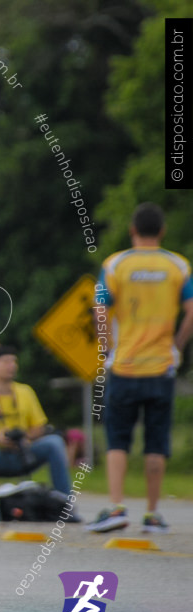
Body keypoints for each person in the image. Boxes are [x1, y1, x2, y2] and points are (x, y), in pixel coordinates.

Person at [88, 202, 193, 533]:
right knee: (156, 441)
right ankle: (152, 513)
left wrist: (106, 348)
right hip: (161, 366)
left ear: (133, 230)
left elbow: (100, 309)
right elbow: (192, 311)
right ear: (161, 231)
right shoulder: (178, 265)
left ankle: (117, 506)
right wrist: (176, 347)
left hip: (125, 366)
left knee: (117, 439)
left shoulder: (115, 264)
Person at [0, 346, 74, 519]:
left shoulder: (25, 392)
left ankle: (64, 505)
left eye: (14, 361)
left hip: (23, 453)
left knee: (54, 442)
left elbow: (40, 426)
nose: (11, 366)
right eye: (5, 361)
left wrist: (26, 437)